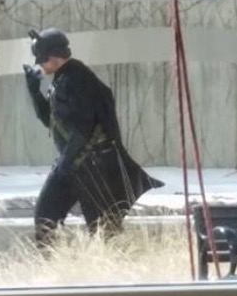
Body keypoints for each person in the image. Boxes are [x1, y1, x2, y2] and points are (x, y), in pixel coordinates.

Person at [23, 26, 164, 246]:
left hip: (94, 167)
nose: (39, 65)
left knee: (104, 233)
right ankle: (52, 264)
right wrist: (34, 91)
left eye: (41, 60)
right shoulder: (62, 79)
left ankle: (111, 266)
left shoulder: (78, 79)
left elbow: (83, 128)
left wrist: (65, 164)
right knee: (45, 217)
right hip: (73, 164)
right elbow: (50, 121)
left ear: (53, 57)